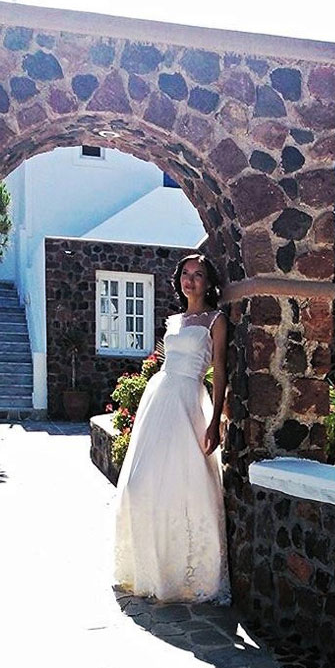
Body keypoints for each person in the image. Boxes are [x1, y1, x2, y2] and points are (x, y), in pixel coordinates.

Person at [114, 253, 231, 604]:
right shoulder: (174, 320)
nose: (190, 280)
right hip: (160, 399)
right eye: (185, 274)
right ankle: (152, 569)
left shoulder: (216, 320)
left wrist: (215, 420)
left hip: (189, 401)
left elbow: (219, 372)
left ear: (208, 282)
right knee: (140, 484)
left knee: (187, 486)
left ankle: (190, 574)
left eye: (198, 274)